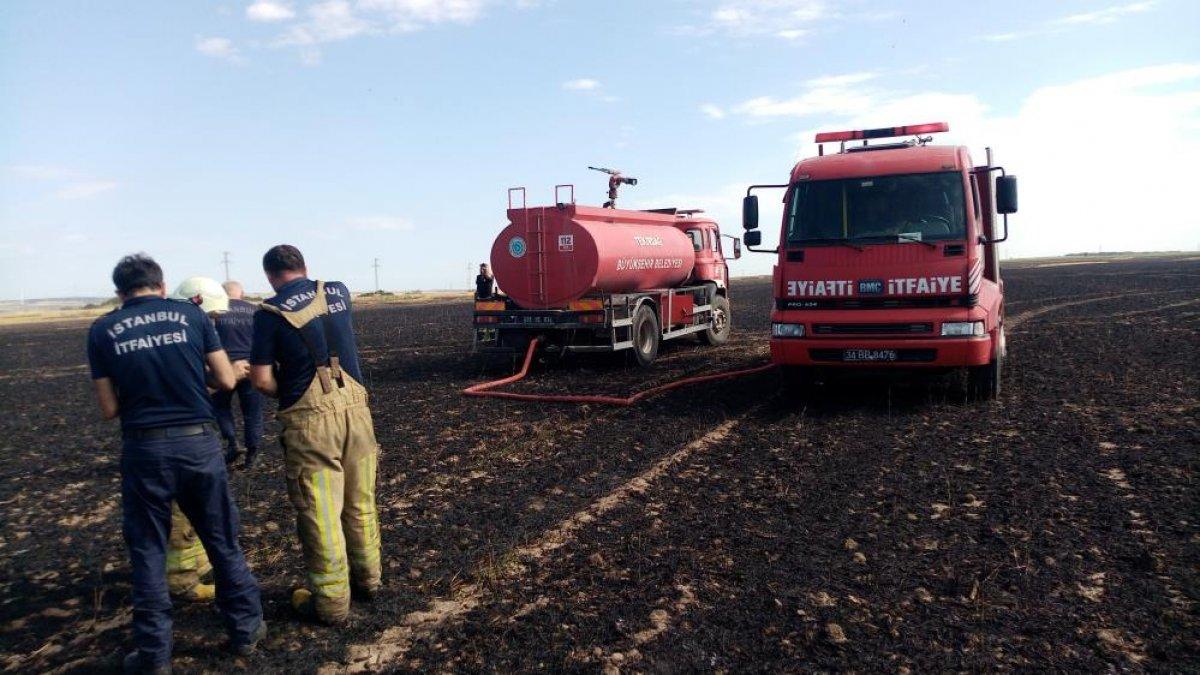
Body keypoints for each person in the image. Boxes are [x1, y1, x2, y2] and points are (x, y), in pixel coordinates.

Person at [87, 255, 264, 673]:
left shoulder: (102, 330)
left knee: (148, 552)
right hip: (197, 445)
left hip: (144, 450)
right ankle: (246, 631)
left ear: (119, 292)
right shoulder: (190, 316)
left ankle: (154, 657)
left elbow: (109, 408)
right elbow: (223, 380)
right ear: (162, 286)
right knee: (222, 539)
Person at [249, 245, 381, 625]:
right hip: (357, 411)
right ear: (304, 267)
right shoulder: (337, 291)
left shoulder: (269, 314)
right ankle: (369, 581)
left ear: (271, 276)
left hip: (311, 423)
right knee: (361, 503)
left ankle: (332, 604)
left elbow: (260, 379)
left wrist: (286, 388)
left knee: (321, 513)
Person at [212, 280, 264, 469]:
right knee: (252, 412)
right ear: (241, 293)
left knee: (221, 407)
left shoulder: (216, 311)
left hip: (224, 368)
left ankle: (232, 442)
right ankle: (253, 453)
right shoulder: (255, 310)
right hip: (251, 367)